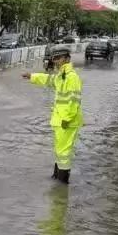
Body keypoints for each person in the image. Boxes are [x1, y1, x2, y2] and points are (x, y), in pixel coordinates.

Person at [22, 45, 83, 184]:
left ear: (67, 58)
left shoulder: (71, 77)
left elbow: (74, 101)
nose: (56, 61)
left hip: (67, 122)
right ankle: (56, 180)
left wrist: (67, 119)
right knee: (59, 151)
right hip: (60, 121)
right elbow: (49, 80)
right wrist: (32, 76)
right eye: (54, 58)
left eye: (59, 58)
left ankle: (62, 185)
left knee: (63, 153)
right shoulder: (62, 75)